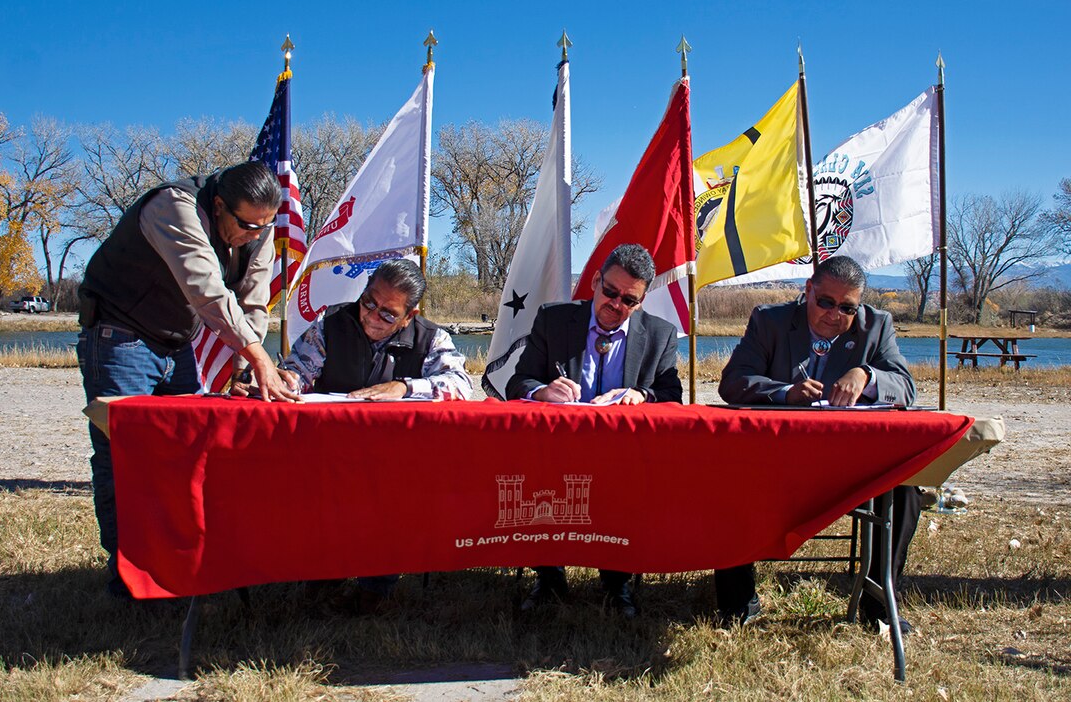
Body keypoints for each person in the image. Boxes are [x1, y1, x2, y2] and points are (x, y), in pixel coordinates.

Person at [78, 161, 301, 598]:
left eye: (264, 226)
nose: (256, 235)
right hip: (120, 335)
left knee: (186, 455)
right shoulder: (173, 206)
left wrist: (243, 366)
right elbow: (206, 291)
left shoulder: (256, 232)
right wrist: (259, 358)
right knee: (124, 457)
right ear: (218, 206)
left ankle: (177, 569)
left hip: (176, 344)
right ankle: (126, 579)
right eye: (246, 225)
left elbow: (254, 303)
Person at [716, 255, 918, 632]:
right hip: (776, 462)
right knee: (728, 477)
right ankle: (737, 601)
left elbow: (906, 387)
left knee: (905, 489)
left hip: (849, 467)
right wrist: (784, 392)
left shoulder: (877, 326)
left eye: (846, 308)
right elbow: (733, 383)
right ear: (807, 291)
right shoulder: (769, 320)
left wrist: (867, 375)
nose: (833, 314)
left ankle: (877, 606)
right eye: (825, 302)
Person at [282, 258, 472, 611]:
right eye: (368, 301)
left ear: (409, 316)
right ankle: (325, 573)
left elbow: (460, 385)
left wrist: (403, 387)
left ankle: (377, 584)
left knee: (395, 494)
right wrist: (282, 381)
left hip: (398, 461)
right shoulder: (330, 325)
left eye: (388, 314)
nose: (371, 315)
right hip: (332, 454)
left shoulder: (430, 338)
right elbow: (298, 372)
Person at [506, 243, 682, 618]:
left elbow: (671, 395)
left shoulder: (660, 334)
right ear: (596, 281)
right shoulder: (554, 319)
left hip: (624, 456)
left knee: (631, 488)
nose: (616, 304)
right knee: (535, 484)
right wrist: (542, 391)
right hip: (556, 451)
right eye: (611, 292)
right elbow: (517, 383)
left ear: (642, 300)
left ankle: (615, 582)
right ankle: (549, 578)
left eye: (629, 300)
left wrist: (641, 394)